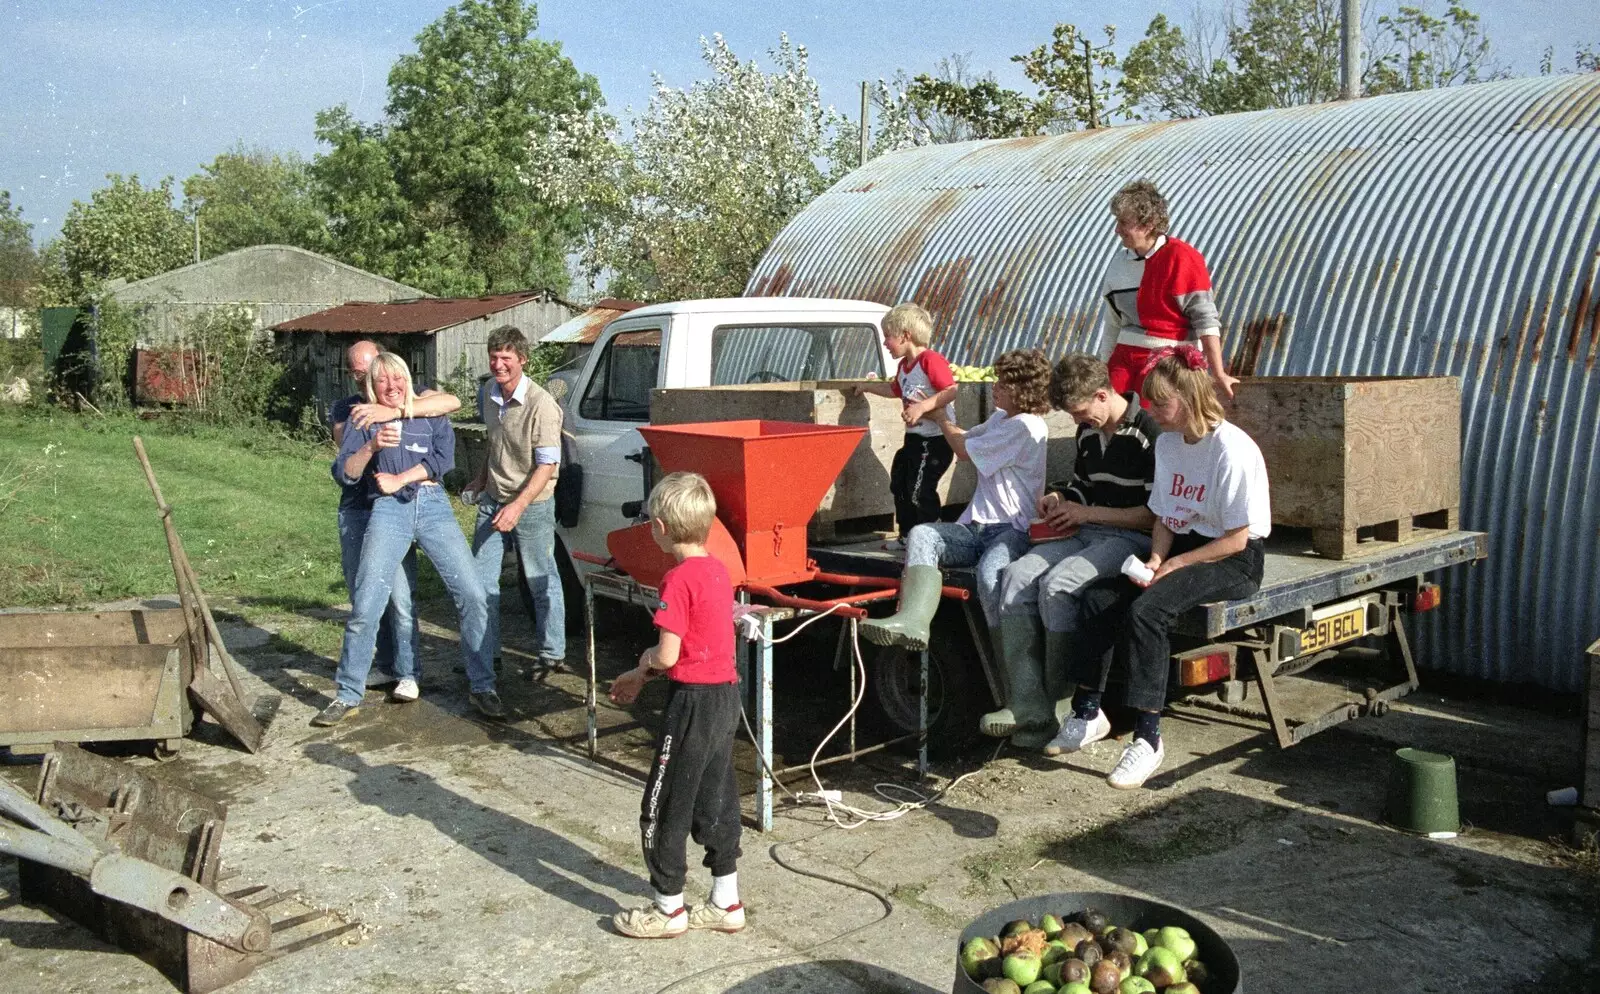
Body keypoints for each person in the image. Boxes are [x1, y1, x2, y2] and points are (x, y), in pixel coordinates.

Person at [1051, 346, 1271, 788]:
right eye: (1149, 401)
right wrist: (1155, 558)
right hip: (1183, 545)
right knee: (1098, 597)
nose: (1153, 411)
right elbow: (1166, 517)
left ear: (1189, 398)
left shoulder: (1231, 448)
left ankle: (1148, 738)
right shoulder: (1169, 444)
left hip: (1234, 558)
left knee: (1147, 611)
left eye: (1161, 402)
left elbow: (1237, 538)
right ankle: (1088, 712)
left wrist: (1178, 563)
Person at [986, 354, 1161, 749]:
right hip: (1087, 528)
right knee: (1014, 576)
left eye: (1081, 413)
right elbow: (1084, 485)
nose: (1079, 422)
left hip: (1130, 538)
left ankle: (1068, 706)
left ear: (1103, 395)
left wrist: (1086, 512)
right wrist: (1060, 497)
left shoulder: (1149, 433)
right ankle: (1028, 701)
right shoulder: (1087, 434)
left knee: (1057, 584)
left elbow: (1155, 516)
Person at [316, 352, 497, 725]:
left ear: (408, 379)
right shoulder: (363, 417)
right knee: (366, 603)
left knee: (473, 594)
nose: (391, 386)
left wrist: (402, 477)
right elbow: (345, 475)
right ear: (370, 385)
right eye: (382, 381)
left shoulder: (429, 411)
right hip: (387, 510)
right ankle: (347, 694)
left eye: (397, 378)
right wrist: (372, 448)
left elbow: (443, 459)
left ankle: (483, 685)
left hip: (433, 506)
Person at [607, 472, 745, 939]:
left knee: (665, 804)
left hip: (691, 704)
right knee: (717, 797)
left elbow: (667, 655)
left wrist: (641, 665)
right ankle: (727, 900)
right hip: (726, 698)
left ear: (661, 528)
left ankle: (668, 907)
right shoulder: (719, 569)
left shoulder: (677, 579)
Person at [860, 349, 1053, 654]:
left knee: (992, 576)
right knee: (923, 534)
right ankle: (913, 622)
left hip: (1011, 530)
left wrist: (936, 414)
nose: (995, 387)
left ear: (1023, 390)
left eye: (1003, 383)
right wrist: (940, 411)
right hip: (976, 527)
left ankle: (1006, 657)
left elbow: (963, 449)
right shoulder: (1003, 418)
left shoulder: (1025, 426)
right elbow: (965, 435)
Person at [330, 341, 459, 694]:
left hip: (395, 504)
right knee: (366, 596)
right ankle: (383, 667)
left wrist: (397, 410)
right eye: (358, 371)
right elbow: (345, 450)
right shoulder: (348, 407)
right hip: (359, 508)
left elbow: (450, 402)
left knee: (401, 598)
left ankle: (407, 670)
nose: (366, 377)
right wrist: (372, 427)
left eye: (372, 367)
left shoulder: (404, 394)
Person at [465, 326, 566, 679]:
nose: (498, 364)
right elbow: (494, 444)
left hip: (533, 503)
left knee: (540, 579)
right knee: (479, 582)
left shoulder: (542, 405)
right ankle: (485, 655)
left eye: (506, 358)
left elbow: (547, 466)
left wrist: (518, 507)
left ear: (522, 360)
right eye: (494, 357)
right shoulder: (488, 393)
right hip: (494, 499)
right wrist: (481, 478)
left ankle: (552, 652)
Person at [1100, 180, 1238, 399]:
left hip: (1167, 360)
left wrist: (1218, 372)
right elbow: (1113, 322)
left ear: (1149, 223)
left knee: (1152, 419)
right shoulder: (1118, 263)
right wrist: (1103, 368)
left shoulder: (1183, 258)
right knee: (1108, 412)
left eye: (1123, 222)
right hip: (1124, 358)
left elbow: (1206, 320)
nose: (1117, 230)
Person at [850, 302, 959, 549]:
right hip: (914, 440)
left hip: (935, 441)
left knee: (919, 490)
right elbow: (893, 390)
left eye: (888, 337)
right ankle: (907, 535)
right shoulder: (903, 367)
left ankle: (933, 537)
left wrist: (922, 407)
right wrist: (866, 386)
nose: (885, 344)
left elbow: (951, 390)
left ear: (905, 335)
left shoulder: (930, 360)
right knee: (899, 482)